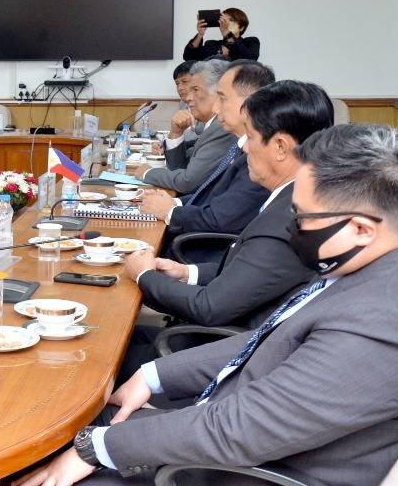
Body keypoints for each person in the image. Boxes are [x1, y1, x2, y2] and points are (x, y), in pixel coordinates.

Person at [1, 123, 398, 486]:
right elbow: (267, 340)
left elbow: (236, 430)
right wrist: (155, 376)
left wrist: (96, 449)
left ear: (360, 228)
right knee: (63, 437)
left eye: (304, 217)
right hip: (241, 448)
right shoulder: (381, 276)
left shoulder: (390, 328)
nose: (291, 226)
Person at [120, 80, 333, 382]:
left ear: (281, 146)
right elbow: (252, 276)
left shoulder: (287, 221)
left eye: (251, 136)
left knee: (93, 356)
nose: (243, 146)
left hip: (218, 357)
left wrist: (144, 275)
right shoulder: (293, 198)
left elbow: (209, 308)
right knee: (116, 331)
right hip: (228, 334)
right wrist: (187, 273)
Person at [139, 61, 275, 244]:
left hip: (203, 249)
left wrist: (170, 210)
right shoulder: (241, 146)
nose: (216, 108)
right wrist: (174, 203)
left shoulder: (259, 157)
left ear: (249, 102)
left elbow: (219, 216)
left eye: (222, 98)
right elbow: (214, 196)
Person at [138, 59, 237, 194]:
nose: (188, 97)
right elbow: (178, 168)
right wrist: (176, 133)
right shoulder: (211, 126)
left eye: (195, 90)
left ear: (219, 93)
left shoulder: (221, 128)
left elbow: (188, 182)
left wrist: (148, 173)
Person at [183, 7, 260, 61]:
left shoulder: (250, 42)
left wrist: (227, 33)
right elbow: (189, 57)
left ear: (241, 27)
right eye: (223, 20)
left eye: (231, 20)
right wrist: (200, 34)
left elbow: (249, 60)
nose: (226, 23)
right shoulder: (211, 44)